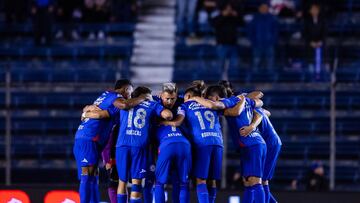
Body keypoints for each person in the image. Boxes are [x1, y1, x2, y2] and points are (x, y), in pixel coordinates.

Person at [84, 86, 173, 203]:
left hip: (121, 147)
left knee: (122, 182)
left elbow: (102, 114)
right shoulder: (152, 105)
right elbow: (168, 115)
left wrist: (85, 113)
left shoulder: (123, 106)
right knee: (136, 183)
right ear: (146, 96)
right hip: (139, 147)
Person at [162, 83, 244, 203]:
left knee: (201, 180)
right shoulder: (211, 104)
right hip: (218, 142)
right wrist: (241, 99)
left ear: (188, 96)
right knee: (212, 180)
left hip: (202, 143)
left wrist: (165, 123)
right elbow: (233, 112)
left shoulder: (185, 106)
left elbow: (178, 122)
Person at [75, 79, 148, 203]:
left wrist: (86, 111)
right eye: (130, 92)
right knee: (87, 173)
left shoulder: (105, 96)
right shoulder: (116, 97)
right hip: (89, 137)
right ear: (126, 89)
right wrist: (142, 98)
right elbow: (124, 105)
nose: (130, 96)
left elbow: (93, 110)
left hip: (89, 137)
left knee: (93, 173)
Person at [242, 108, 282, 203]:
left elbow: (259, 116)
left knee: (262, 180)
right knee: (251, 180)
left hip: (269, 142)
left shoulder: (245, 108)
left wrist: (251, 127)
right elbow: (268, 112)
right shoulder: (253, 107)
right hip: (270, 141)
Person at [211, 3, 241, 79]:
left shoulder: (234, 17)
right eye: (227, 8)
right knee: (220, 65)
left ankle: (233, 82)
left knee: (234, 65)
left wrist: (236, 16)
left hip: (233, 44)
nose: (228, 10)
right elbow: (214, 24)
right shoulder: (218, 17)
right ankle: (218, 82)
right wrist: (223, 15)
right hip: (222, 44)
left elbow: (242, 23)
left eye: (230, 8)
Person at [248, 3, 278, 70]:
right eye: (262, 7)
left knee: (270, 63)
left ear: (268, 9)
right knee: (256, 62)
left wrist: (272, 41)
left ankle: (270, 78)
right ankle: (255, 78)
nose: (264, 9)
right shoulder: (255, 19)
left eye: (265, 7)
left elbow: (275, 31)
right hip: (257, 44)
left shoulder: (272, 19)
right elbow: (250, 31)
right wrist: (253, 41)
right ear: (259, 9)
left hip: (269, 44)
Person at [303, 4, 327, 75]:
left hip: (320, 44)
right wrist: (310, 42)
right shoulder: (306, 21)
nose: (314, 11)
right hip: (310, 45)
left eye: (316, 9)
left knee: (321, 58)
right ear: (310, 11)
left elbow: (324, 32)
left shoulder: (323, 20)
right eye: (313, 9)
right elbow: (305, 33)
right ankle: (310, 76)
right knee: (310, 61)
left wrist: (321, 41)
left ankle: (321, 75)